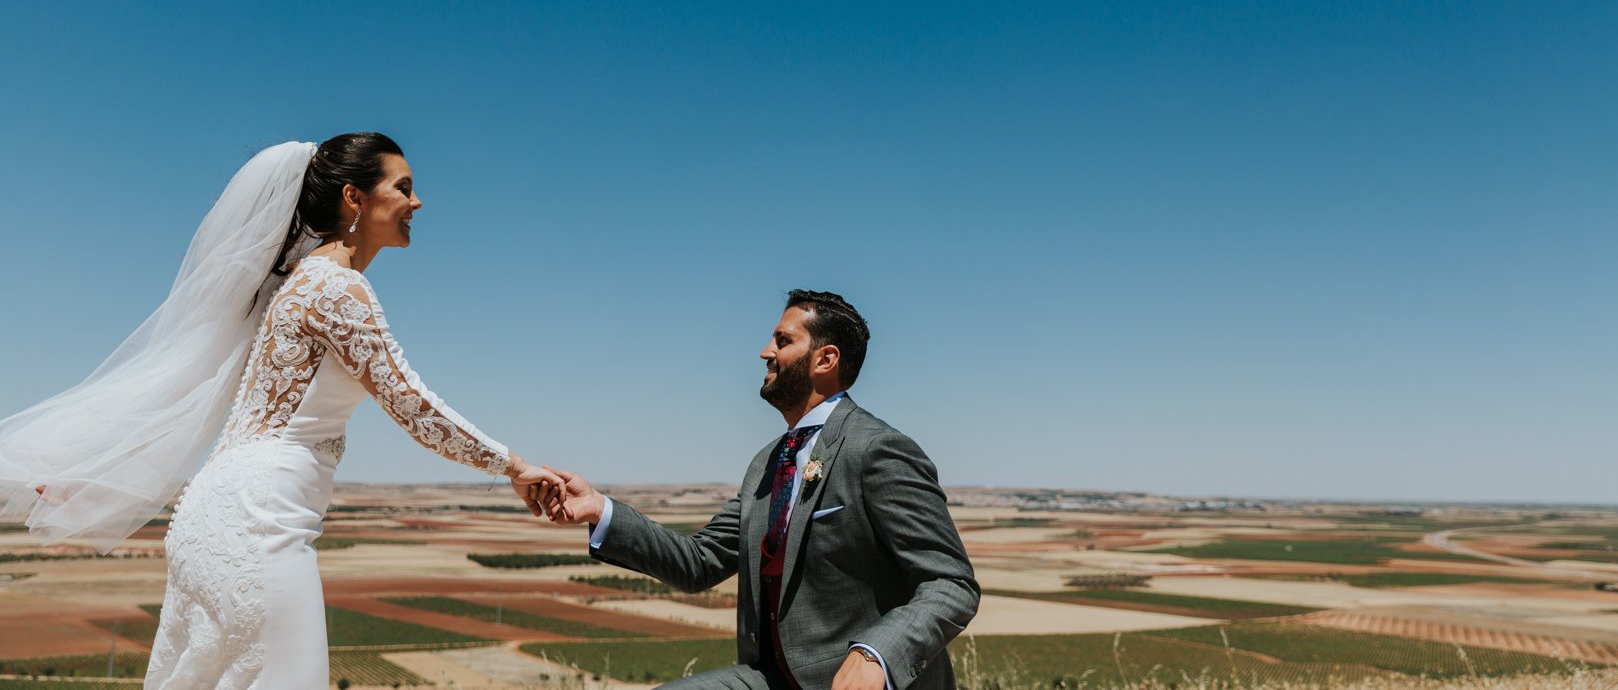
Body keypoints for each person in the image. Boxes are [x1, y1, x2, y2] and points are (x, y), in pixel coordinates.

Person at [0, 134, 558, 689]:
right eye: (404, 187)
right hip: (261, 522)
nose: (418, 203)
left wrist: (102, 471)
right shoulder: (336, 289)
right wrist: (512, 466)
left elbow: (196, 388)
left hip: (208, 518)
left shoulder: (289, 286)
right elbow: (411, 404)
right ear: (354, 199)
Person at [538, 290, 978, 690]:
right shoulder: (767, 463)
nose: (765, 352)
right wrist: (599, 510)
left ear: (825, 360)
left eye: (783, 341)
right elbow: (699, 561)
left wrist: (875, 654)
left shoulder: (878, 449)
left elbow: (951, 582)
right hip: (769, 678)